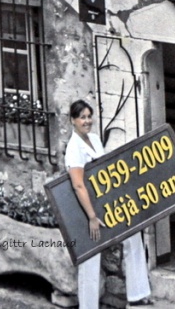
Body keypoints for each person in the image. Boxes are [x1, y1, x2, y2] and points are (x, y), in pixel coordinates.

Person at [65, 99, 153, 308]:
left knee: (132, 235)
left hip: (107, 206)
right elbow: (78, 185)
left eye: (89, 116)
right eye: (82, 117)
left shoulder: (95, 139)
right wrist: (92, 218)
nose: (87, 121)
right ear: (72, 121)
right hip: (87, 210)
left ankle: (137, 294)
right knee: (90, 258)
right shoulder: (73, 148)